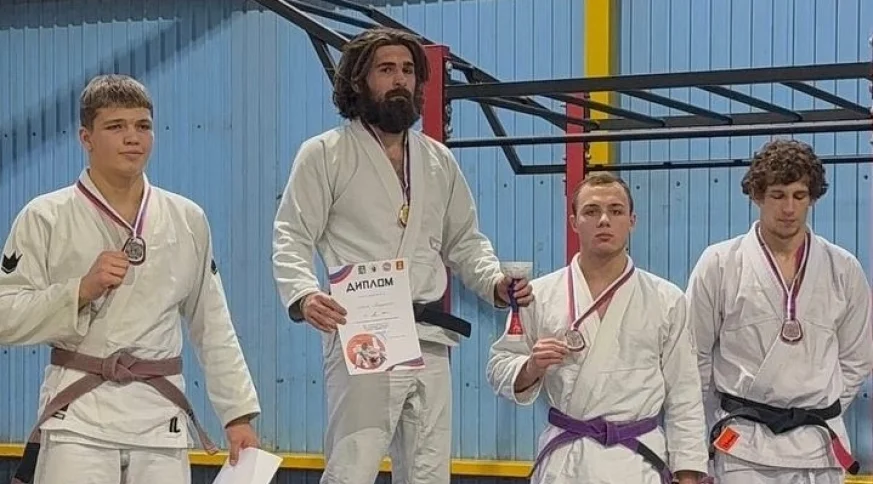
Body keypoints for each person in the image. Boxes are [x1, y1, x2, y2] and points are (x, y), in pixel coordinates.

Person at [272, 27, 533, 484]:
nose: (400, 80)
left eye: (408, 71)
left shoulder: (437, 160)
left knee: (430, 471)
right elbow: (292, 234)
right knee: (353, 465)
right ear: (358, 81)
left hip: (428, 333)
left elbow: (464, 241)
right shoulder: (325, 154)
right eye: (386, 69)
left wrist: (493, 281)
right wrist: (304, 295)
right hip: (363, 330)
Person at [0, 74, 262, 484]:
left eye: (143, 126)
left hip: (159, 416)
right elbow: (4, 314)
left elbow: (212, 322)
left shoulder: (187, 218)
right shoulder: (45, 216)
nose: (132, 138)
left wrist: (237, 414)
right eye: (115, 126)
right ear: (86, 138)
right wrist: (79, 291)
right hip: (78, 417)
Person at [486, 173, 708, 484]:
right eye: (591, 211)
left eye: (616, 211)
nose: (604, 220)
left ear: (632, 221)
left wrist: (689, 474)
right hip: (567, 463)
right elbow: (499, 367)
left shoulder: (666, 299)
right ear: (574, 222)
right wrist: (531, 366)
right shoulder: (539, 295)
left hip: (638, 462)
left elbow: (684, 393)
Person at [686, 139, 873, 484]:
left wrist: (818, 404)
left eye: (799, 196)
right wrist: (697, 439)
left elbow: (858, 358)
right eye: (778, 195)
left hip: (819, 443)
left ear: (812, 198)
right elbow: (693, 356)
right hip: (743, 444)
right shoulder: (720, 263)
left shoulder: (843, 269)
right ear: (757, 196)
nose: (789, 208)